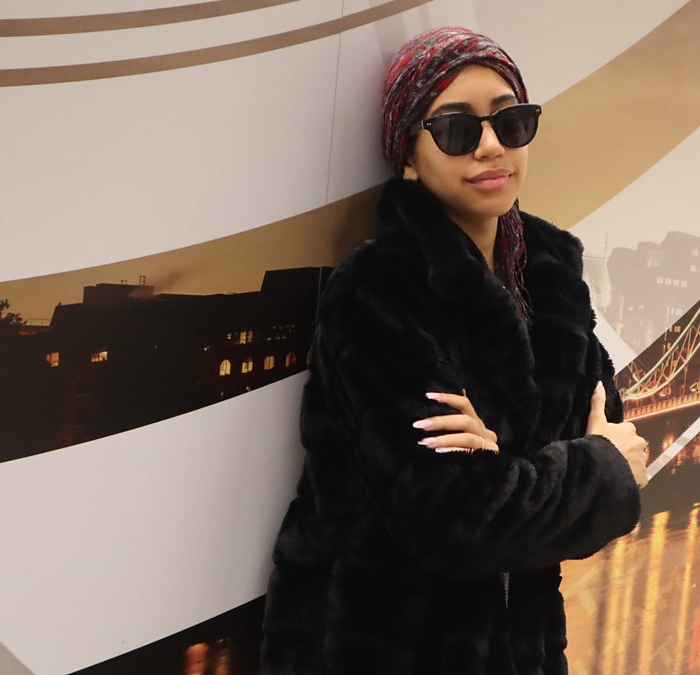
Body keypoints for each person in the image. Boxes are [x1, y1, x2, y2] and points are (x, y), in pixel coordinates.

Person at [260, 25, 649, 675]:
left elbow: (612, 430)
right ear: (409, 156)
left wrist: (506, 466)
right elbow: (455, 520)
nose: (491, 146)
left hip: (522, 646)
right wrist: (591, 472)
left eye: (511, 121)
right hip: (376, 648)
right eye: (457, 129)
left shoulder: (554, 281)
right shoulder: (377, 293)